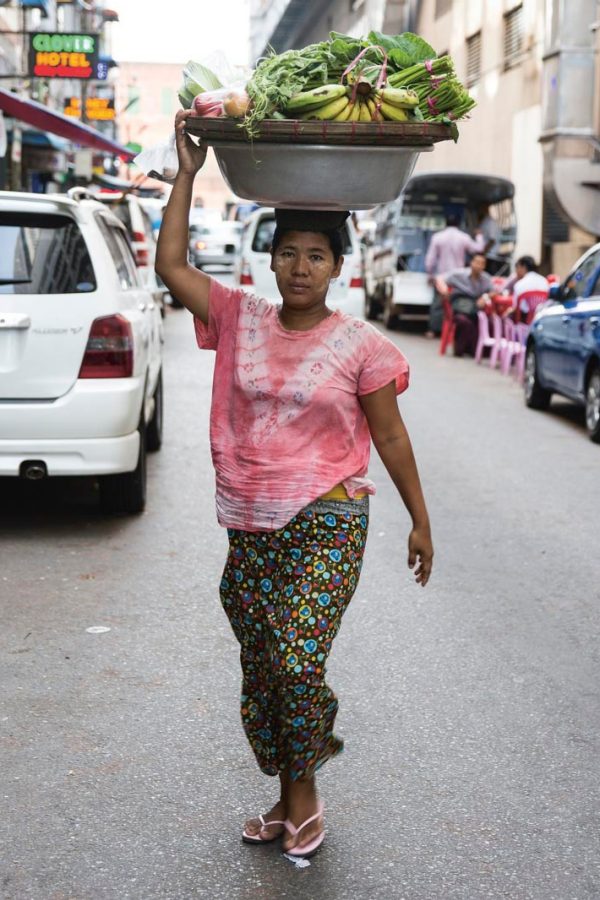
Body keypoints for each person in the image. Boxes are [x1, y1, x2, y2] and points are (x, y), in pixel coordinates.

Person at [156, 109, 434, 860]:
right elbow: (172, 267)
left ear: (337, 267)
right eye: (289, 253)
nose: (301, 266)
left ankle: (305, 792)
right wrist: (187, 174)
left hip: (328, 518)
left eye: (316, 255)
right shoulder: (238, 317)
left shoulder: (360, 345)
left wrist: (419, 520)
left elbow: (391, 436)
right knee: (262, 667)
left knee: (295, 658)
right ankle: (284, 791)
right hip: (248, 521)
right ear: (270, 261)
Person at [424, 215, 485, 337]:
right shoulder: (464, 237)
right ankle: (455, 330)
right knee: (457, 302)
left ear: (446, 224)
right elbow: (479, 248)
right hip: (459, 278)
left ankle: (434, 330)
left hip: (442, 277)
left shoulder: (438, 237)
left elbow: (430, 260)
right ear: (458, 224)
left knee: (438, 303)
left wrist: (430, 275)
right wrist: (479, 235)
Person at [444, 253, 494, 357]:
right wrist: (444, 291)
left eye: (482, 264)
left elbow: (495, 291)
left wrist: (485, 297)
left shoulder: (486, 278)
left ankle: (476, 350)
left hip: (475, 307)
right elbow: (440, 279)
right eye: (477, 262)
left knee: (488, 321)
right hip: (460, 306)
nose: (479, 266)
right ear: (471, 263)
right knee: (464, 321)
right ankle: (460, 349)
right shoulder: (458, 274)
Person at [506, 256, 549, 323]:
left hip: (524, 322)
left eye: (517, 267)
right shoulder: (545, 281)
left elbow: (516, 308)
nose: (516, 271)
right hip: (541, 320)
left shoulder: (519, 284)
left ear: (523, 267)